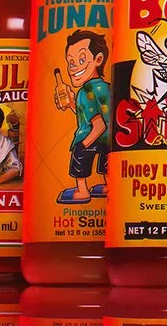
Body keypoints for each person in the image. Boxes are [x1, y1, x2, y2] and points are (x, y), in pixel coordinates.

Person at [54, 29, 111, 205]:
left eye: (80, 60)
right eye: (70, 62)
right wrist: (71, 103)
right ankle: (109, 186)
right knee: (106, 163)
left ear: (98, 60)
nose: (74, 67)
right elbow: (87, 114)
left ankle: (82, 191)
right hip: (110, 139)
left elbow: (98, 124)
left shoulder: (86, 91)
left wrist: (84, 143)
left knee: (80, 160)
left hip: (93, 135)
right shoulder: (106, 86)